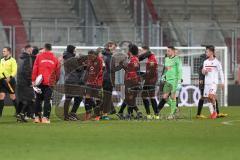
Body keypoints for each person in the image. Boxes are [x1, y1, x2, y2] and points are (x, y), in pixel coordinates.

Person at [32, 43, 60, 123]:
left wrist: (33, 80)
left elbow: (35, 69)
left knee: (38, 99)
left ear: (44, 48)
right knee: (47, 101)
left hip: (39, 82)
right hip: (50, 83)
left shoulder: (39, 57)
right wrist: (55, 81)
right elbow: (57, 73)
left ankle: (37, 117)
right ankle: (45, 118)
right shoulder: (55, 59)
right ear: (51, 49)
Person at [196, 47, 227, 118]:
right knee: (209, 98)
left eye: (207, 52)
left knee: (211, 96)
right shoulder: (205, 62)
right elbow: (203, 72)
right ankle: (214, 113)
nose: (206, 53)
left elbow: (221, 72)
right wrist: (204, 72)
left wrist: (222, 82)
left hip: (213, 83)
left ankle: (215, 112)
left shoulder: (217, 62)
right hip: (207, 83)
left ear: (211, 52)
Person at [157, 46, 182, 119]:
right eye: (166, 51)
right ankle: (175, 109)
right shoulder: (166, 59)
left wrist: (179, 80)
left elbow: (179, 70)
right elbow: (166, 69)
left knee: (173, 97)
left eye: (168, 51)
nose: (167, 52)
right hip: (167, 80)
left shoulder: (177, 59)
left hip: (174, 80)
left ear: (173, 51)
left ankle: (172, 114)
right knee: (164, 97)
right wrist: (163, 76)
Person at [62, 45, 85, 121]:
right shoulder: (72, 59)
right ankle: (70, 115)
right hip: (73, 80)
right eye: (74, 50)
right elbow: (79, 68)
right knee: (77, 97)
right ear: (71, 50)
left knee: (70, 98)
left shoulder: (66, 57)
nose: (75, 52)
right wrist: (84, 65)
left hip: (69, 80)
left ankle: (68, 115)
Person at [138, 46, 159, 120]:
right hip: (150, 79)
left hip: (151, 80)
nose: (141, 53)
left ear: (145, 51)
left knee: (149, 96)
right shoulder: (150, 57)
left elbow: (151, 71)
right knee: (146, 96)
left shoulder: (152, 59)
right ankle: (154, 115)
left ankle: (153, 115)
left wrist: (141, 75)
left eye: (141, 51)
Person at [16, 45, 35, 122]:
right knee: (30, 98)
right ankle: (22, 114)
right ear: (29, 49)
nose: (32, 51)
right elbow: (27, 71)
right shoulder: (28, 58)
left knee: (21, 99)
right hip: (26, 82)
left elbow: (20, 70)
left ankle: (18, 115)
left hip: (20, 81)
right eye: (31, 49)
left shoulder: (20, 57)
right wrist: (30, 81)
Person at [84, 50, 103, 121]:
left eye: (90, 56)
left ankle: (98, 115)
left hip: (97, 82)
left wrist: (95, 79)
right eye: (88, 56)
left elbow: (100, 71)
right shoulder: (89, 61)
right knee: (87, 97)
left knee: (97, 98)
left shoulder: (99, 60)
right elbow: (88, 70)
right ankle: (88, 114)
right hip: (89, 82)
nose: (89, 58)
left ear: (94, 55)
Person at [101, 41, 118, 120]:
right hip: (108, 79)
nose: (115, 49)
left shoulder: (104, 55)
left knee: (105, 97)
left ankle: (102, 113)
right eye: (114, 47)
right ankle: (104, 115)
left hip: (104, 78)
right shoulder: (109, 57)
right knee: (107, 97)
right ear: (109, 46)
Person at [0, 47, 18, 117]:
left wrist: (10, 77)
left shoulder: (12, 60)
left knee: (12, 97)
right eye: (3, 51)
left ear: (8, 52)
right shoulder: (1, 60)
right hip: (2, 81)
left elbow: (14, 70)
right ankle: (0, 114)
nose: (3, 52)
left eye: (4, 51)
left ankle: (18, 112)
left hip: (10, 81)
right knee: (1, 96)